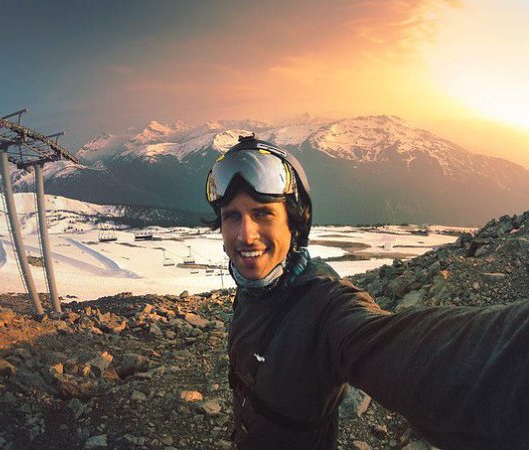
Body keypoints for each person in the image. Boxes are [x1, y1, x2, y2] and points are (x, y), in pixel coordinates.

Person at [204, 135, 529, 450]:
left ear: (295, 223)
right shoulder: (255, 286)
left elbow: (397, 349)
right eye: (232, 216)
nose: (245, 235)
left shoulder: (326, 306)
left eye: (262, 213)